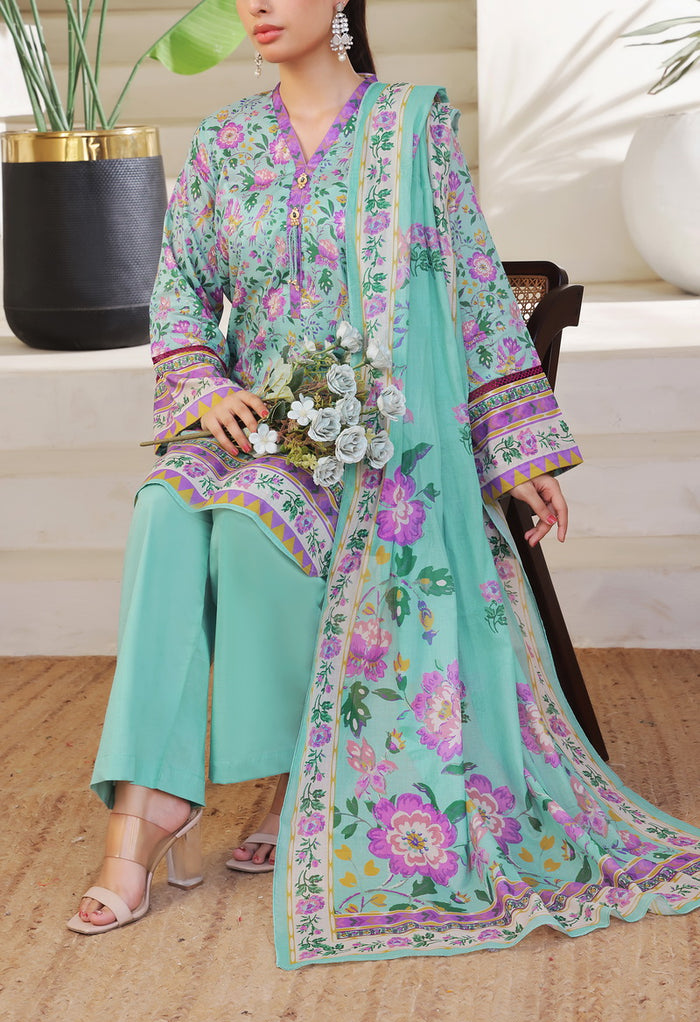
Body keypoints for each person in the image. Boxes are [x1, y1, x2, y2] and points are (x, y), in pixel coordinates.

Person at [69, 0, 700, 968]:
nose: (258, 5)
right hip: (248, 418)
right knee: (162, 507)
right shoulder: (227, 141)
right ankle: (143, 809)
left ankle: (294, 782)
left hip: (370, 444)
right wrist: (204, 386)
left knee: (248, 521)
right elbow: (183, 289)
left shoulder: (411, 127)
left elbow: (476, 290)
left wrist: (516, 448)